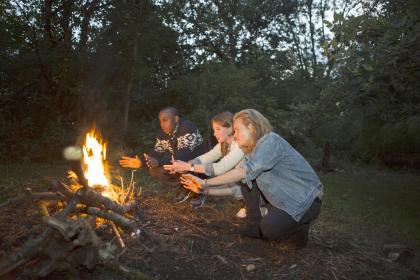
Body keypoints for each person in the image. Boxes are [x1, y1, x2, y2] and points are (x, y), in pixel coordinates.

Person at [181, 109, 324, 249]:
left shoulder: (270, 141)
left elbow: (243, 172)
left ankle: (300, 230)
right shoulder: (253, 151)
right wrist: (205, 190)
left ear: (250, 126)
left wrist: (205, 182)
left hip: (307, 200)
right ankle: (255, 228)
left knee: (270, 229)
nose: (235, 135)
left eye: (237, 129)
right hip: (286, 202)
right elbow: (238, 187)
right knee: (247, 183)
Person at [163, 111, 246, 215]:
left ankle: (253, 204)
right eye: (214, 130)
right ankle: (246, 203)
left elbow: (221, 167)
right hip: (244, 181)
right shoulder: (224, 144)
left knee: (227, 178)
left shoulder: (239, 144)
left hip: (257, 183)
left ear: (230, 128)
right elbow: (208, 157)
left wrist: (190, 167)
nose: (215, 134)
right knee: (228, 181)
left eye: (218, 129)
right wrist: (188, 164)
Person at [119, 107, 208, 201]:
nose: (162, 124)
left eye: (165, 120)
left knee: (180, 164)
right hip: (183, 166)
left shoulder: (187, 127)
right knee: (155, 171)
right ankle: (185, 187)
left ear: (176, 119)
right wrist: (141, 162)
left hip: (199, 168)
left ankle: (200, 188)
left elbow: (183, 155)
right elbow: (157, 152)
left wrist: (159, 161)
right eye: (160, 121)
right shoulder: (163, 133)